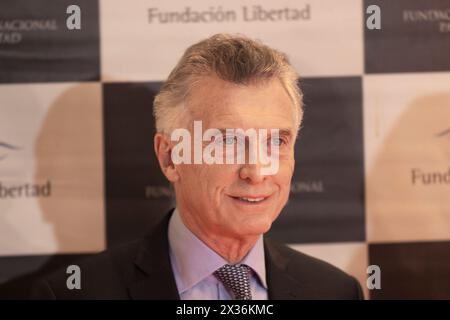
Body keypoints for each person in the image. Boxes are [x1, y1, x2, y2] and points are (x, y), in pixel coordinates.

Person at [32, 33, 363, 300]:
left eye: (275, 142)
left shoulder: (335, 292)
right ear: (170, 157)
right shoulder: (73, 295)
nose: (257, 171)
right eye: (227, 142)